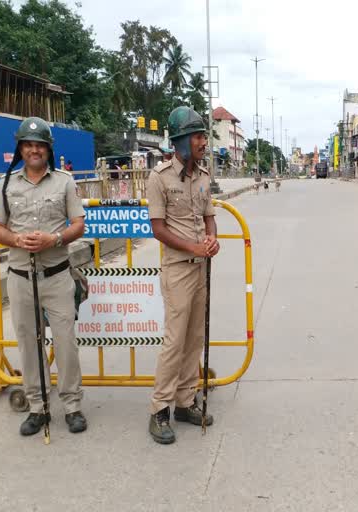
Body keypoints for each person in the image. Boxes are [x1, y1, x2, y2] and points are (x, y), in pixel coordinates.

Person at [0, 117, 87, 437]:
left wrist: (54, 240)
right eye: (28, 145)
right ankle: (38, 407)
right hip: (19, 277)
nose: (34, 150)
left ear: (48, 150)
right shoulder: (7, 185)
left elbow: (78, 224)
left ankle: (72, 405)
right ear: (20, 149)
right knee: (29, 344)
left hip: (57, 276)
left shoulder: (64, 182)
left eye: (39, 145)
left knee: (65, 342)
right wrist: (16, 240)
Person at [146, 106, 220, 445]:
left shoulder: (205, 176)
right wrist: (192, 248)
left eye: (204, 135)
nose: (204, 141)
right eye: (198, 136)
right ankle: (159, 409)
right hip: (177, 269)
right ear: (180, 141)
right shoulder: (159, 178)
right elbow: (158, 229)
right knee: (174, 340)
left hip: (201, 267)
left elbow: (208, 216)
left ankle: (185, 401)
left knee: (194, 337)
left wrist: (211, 238)